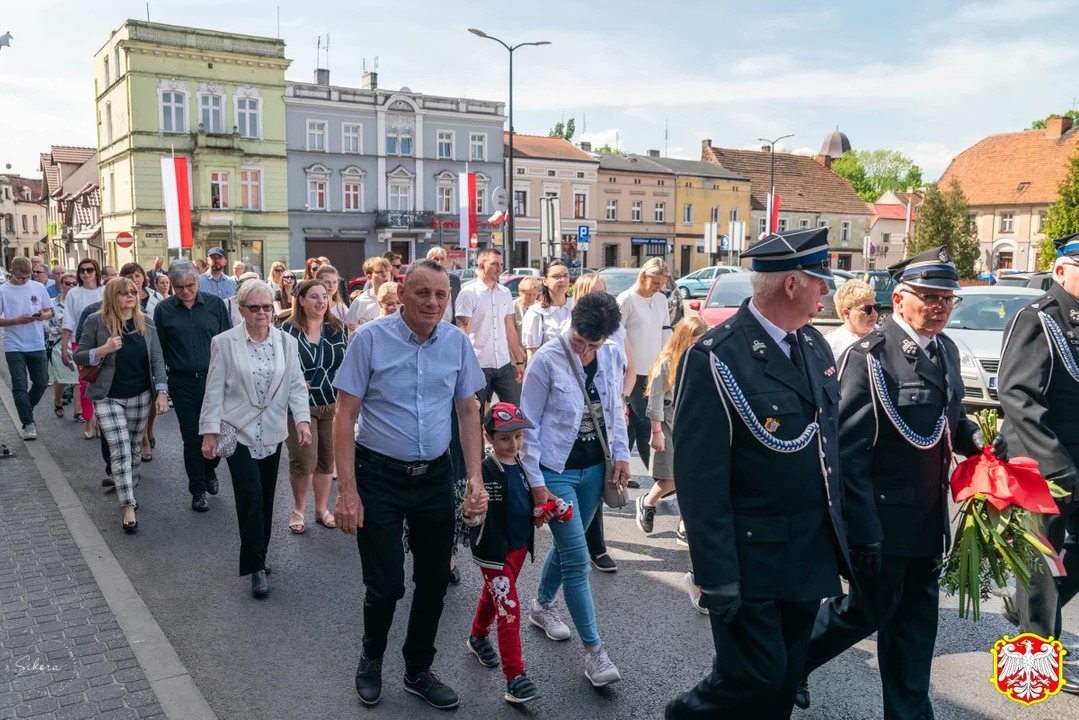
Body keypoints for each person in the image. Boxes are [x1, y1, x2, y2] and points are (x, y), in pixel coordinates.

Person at [795, 246, 990, 717]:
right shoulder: (870, 358)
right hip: (882, 521)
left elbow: (950, 418)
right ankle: (785, 661)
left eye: (947, 298)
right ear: (899, 299)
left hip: (926, 522)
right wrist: (862, 530)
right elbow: (849, 453)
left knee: (915, 630)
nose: (940, 307)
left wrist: (982, 446)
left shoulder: (942, 349)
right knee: (860, 613)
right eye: (929, 296)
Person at [667, 228, 852, 719]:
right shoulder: (716, 356)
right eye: (820, 281)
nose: (827, 291)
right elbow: (700, 479)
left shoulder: (813, 346)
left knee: (786, 677)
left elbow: (828, 452)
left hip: (807, 552)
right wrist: (716, 573)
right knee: (753, 676)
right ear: (793, 284)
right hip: (749, 560)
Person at [332, 259, 488, 710]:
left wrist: (474, 478)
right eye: (424, 293)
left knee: (435, 580)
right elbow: (345, 416)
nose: (434, 303)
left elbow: (467, 412)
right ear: (402, 294)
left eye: (441, 295)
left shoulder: (457, 343)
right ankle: (371, 658)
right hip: (378, 476)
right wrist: (347, 491)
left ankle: (418, 669)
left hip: (435, 477)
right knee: (386, 585)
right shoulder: (369, 339)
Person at [519, 292, 628, 688]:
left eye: (592, 346)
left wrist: (621, 456)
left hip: (594, 470)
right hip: (556, 471)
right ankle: (594, 652)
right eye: (579, 340)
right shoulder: (546, 359)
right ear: (572, 323)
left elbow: (615, 408)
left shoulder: (612, 354)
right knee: (579, 562)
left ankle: (542, 605)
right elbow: (527, 427)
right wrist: (537, 485)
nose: (583, 350)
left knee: (571, 547)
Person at [999, 232, 1079, 695]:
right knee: (1041, 561)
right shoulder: (1037, 319)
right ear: (1060, 269)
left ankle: (1028, 611)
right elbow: (1017, 395)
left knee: (1048, 573)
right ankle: (1032, 668)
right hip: (1046, 461)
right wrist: (1055, 463)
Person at [199, 280, 312, 598]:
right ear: (241, 309)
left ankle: (259, 552)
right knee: (250, 497)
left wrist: (302, 422)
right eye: (255, 307)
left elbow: (295, 385)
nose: (263, 312)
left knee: (266, 496)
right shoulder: (224, 343)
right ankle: (255, 567)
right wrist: (209, 433)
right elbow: (213, 390)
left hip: (274, 430)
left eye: (267, 306)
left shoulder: (286, 343)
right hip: (238, 430)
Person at [74, 277, 169, 534]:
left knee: (135, 447)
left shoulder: (146, 322)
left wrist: (162, 391)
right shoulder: (96, 321)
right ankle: (128, 506)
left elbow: (158, 360)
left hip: (140, 396)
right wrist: (102, 349)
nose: (129, 296)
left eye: (133, 292)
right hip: (107, 396)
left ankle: (129, 484)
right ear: (112, 296)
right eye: (123, 292)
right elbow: (79, 355)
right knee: (120, 448)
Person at [465, 402, 543, 705]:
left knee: (494, 596)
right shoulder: (483, 470)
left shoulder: (523, 465)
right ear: (488, 437)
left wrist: (541, 511)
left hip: (520, 547)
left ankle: (477, 636)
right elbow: (470, 512)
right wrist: (470, 511)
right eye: (505, 438)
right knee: (509, 609)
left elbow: (523, 504)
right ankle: (515, 678)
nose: (514, 444)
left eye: (519, 436)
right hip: (495, 551)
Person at [566, 271, 637, 573]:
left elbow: (629, 367)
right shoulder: (569, 332)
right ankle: (581, 546)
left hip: (608, 411)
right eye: (595, 294)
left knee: (601, 479)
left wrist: (621, 398)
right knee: (581, 481)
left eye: (605, 294)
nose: (602, 301)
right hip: (576, 419)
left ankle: (593, 547)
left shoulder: (616, 331)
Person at [636, 317, 707, 608]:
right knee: (672, 478)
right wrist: (655, 433)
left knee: (689, 479)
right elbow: (654, 401)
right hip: (666, 426)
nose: (698, 343)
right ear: (683, 337)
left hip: (690, 426)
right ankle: (648, 501)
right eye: (695, 338)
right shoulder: (667, 361)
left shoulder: (698, 357)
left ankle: (683, 525)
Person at [154, 260, 233, 512]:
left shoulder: (214, 305)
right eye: (179, 288)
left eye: (189, 285)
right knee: (191, 437)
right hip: (183, 381)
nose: (185, 291)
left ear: (197, 281)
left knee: (219, 433)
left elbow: (228, 342)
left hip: (215, 380)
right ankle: (197, 490)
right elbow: (160, 352)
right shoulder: (164, 310)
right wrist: (162, 388)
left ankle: (210, 470)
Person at [282, 279, 348, 534]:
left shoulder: (338, 328)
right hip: (299, 403)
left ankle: (321, 510)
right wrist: (294, 382)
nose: (321, 301)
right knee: (303, 459)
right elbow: (280, 365)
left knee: (326, 460)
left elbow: (347, 361)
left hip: (333, 401)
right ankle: (299, 508)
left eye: (324, 296)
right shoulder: (286, 330)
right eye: (314, 296)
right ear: (300, 300)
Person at [618, 257, 670, 483]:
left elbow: (665, 331)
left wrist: (668, 359)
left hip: (654, 370)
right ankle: (660, 477)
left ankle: (623, 470)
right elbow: (616, 336)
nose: (658, 287)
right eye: (655, 282)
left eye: (662, 283)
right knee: (644, 422)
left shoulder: (661, 300)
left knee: (635, 427)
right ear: (643, 276)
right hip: (630, 371)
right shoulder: (626, 299)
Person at [456, 248, 527, 410]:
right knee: (476, 415)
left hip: (503, 364)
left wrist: (519, 360)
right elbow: (463, 334)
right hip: (479, 364)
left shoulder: (505, 293)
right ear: (481, 265)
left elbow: (509, 328)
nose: (499, 268)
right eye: (495, 264)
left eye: (501, 264)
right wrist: (470, 367)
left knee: (514, 412)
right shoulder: (468, 294)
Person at [0, 256, 54, 439]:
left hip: (36, 342)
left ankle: (25, 408)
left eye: (27, 276)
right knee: (20, 385)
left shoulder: (38, 287)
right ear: (11, 271)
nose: (24, 281)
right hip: (13, 344)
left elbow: (50, 310)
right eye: (20, 277)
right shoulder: (3, 290)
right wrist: (16, 320)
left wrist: (42, 316)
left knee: (41, 382)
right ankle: (28, 424)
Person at [117, 263, 166, 461]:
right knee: (142, 395)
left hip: (155, 349)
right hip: (134, 353)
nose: (134, 279)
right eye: (129, 275)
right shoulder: (120, 298)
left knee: (153, 397)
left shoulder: (156, 297)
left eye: (137, 275)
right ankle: (144, 439)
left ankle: (150, 428)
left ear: (143, 278)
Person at [62, 259, 105, 436]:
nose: (86, 273)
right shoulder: (73, 294)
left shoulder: (105, 291)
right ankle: (88, 420)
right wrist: (64, 348)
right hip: (80, 343)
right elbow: (68, 322)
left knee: (104, 381)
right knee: (85, 381)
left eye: (90, 270)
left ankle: (101, 422)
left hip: (103, 342)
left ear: (96, 272)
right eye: (82, 270)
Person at [521, 261, 573, 361]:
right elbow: (533, 353)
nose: (562, 280)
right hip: (550, 370)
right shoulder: (536, 312)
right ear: (545, 281)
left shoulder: (577, 307)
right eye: (556, 276)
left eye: (565, 276)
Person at [47, 271, 79, 418]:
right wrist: (60, 330)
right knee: (61, 378)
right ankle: (58, 401)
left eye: (74, 284)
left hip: (77, 343)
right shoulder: (52, 303)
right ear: (61, 285)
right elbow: (44, 325)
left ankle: (78, 411)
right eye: (68, 283)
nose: (71, 286)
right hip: (58, 344)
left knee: (79, 378)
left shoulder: (81, 302)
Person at [824, 279, 879, 357]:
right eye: (867, 309)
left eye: (876, 307)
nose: (874, 313)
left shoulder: (881, 334)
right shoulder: (832, 343)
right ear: (846, 313)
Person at [346, 257, 392, 329]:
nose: (385, 275)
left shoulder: (399, 298)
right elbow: (349, 330)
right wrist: (362, 329)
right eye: (379, 272)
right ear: (369, 277)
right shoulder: (360, 301)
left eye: (387, 270)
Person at [427, 246, 461, 319]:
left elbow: (458, 303)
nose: (439, 262)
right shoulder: (424, 279)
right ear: (428, 261)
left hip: (451, 325)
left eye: (442, 259)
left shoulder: (455, 280)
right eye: (435, 259)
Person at [513, 276, 541, 347]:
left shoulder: (540, 307)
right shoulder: (512, 307)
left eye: (534, 294)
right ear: (520, 292)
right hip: (517, 352)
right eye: (528, 294)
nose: (531, 298)